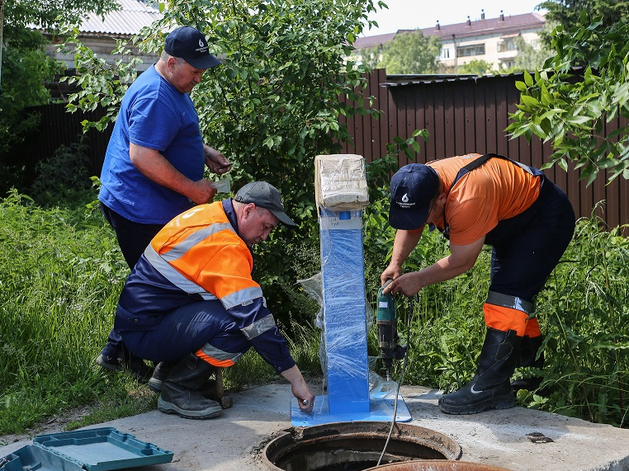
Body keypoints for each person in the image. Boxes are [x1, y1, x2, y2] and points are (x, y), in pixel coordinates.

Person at [380, 152, 575, 415]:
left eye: (423, 214)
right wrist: (396, 262)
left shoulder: (467, 196)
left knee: (507, 296)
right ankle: (532, 378)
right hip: (509, 220)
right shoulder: (418, 182)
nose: (419, 222)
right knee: (514, 304)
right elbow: (411, 220)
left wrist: (419, 279)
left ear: (441, 198)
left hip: (544, 219)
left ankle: (491, 387)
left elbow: (463, 260)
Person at [111, 181, 316, 419]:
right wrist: (297, 381)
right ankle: (178, 388)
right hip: (147, 331)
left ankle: (167, 374)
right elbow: (255, 321)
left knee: (233, 308)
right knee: (242, 326)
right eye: (265, 227)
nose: (265, 236)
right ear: (248, 210)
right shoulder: (225, 244)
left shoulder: (209, 214)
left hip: (143, 322)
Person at [96, 26, 232, 376]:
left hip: (150, 208)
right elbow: (142, 155)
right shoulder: (157, 94)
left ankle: (118, 352)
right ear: (171, 62)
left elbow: (165, 135)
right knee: (163, 285)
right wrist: (192, 189)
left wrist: (202, 150)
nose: (199, 78)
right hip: (137, 209)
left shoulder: (173, 84)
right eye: (195, 70)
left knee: (155, 284)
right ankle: (128, 356)